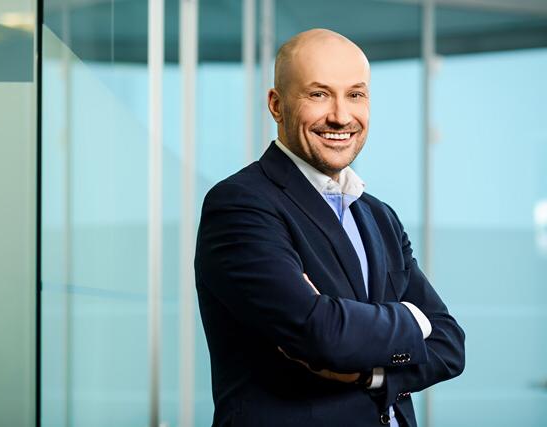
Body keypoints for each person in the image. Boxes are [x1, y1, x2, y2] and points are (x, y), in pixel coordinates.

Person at [194, 29, 465, 427]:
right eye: (319, 94)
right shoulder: (240, 205)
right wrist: (412, 318)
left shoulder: (379, 216)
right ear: (276, 105)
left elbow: (450, 344)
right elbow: (321, 334)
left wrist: (370, 375)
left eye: (355, 94)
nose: (341, 116)